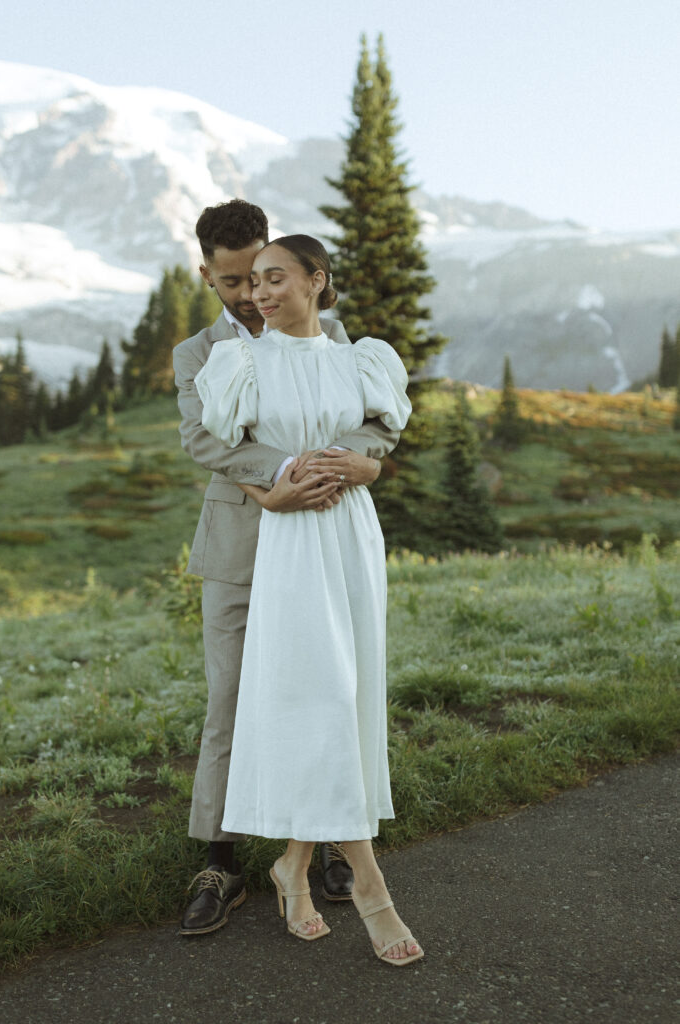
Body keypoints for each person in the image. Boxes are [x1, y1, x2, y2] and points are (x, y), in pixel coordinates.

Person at [193, 233, 423, 966]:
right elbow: (219, 444)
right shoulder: (237, 363)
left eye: (274, 278)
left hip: (352, 536)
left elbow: (378, 435)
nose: (257, 293)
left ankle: (293, 865)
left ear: (317, 282)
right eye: (251, 281)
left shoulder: (362, 358)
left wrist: (366, 464)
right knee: (316, 694)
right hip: (289, 538)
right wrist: (275, 489)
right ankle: (370, 887)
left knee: (345, 695)